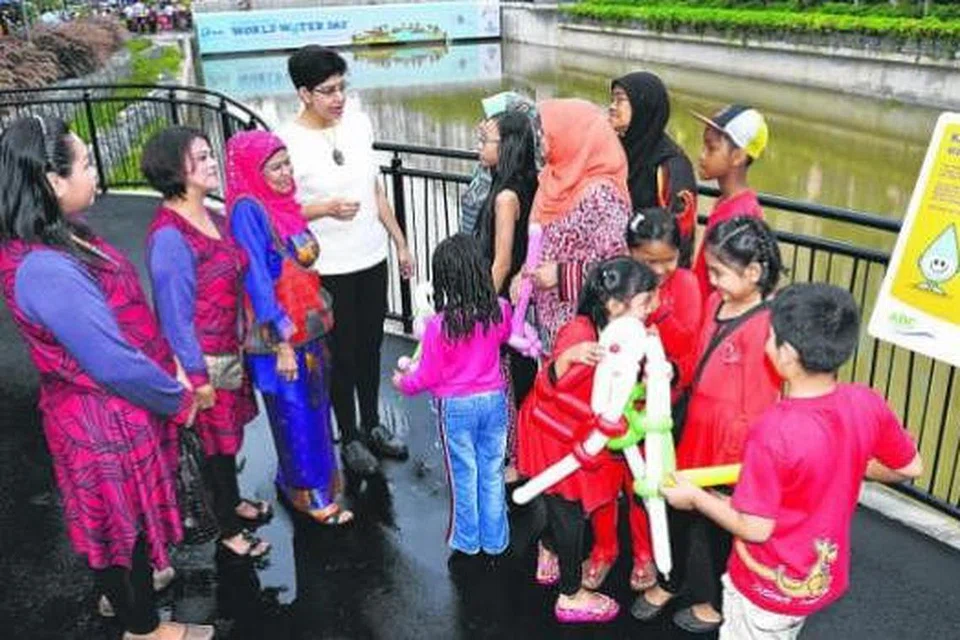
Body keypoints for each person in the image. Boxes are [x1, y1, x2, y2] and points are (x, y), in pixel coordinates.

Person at [0, 116, 213, 639]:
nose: (96, 171)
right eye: (88, 163)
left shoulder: (58, 237)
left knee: (119, 527)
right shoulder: (46, 268)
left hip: (105, 412)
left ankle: (125, 602)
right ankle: (143, 628)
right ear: (52, 182)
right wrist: (177, 397)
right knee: (123, 529)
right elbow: (111, 361)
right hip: (102, 422)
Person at [661, 283, 923, 639]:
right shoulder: (866, 401)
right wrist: (847, 460)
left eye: (770, 335)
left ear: (787, 354)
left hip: (767, 585)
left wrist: (695, 497)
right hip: (820, 575)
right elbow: (910, 467)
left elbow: (755, 528)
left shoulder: (774, 429)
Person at [634, 215, 783, 633]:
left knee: (722, 529)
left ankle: (717, 601)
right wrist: (672, 375)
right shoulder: (718, 304)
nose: (711, 280)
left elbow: (761, 400)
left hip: (731, 454)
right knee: (674, 510)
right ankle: (672, 579)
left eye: (719, 271)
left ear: (753, 274)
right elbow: (699, 358)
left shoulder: (768, 327)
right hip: (696, 431)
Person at [279, 45, 413, 476]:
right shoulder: (286, 140)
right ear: (303, 93)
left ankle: (373, 424)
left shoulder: (357, 123)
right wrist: (324, 210)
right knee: (340, 353)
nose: (338, 98)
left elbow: (374, 189)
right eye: (327, 91)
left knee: (371, 346)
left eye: (342, 87)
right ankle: (350, 435)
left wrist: (400, 241)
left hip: (370, 255)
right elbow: (275, 213)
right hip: (325, 267)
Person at [142, 126, 268, 559]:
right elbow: (175, 320)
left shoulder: (212, 217)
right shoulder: (169, 237)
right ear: (176, 168)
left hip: (228, 351)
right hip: (203, 363)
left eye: (211, 154)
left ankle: (233, 503)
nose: (213, 162)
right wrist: (196, 379)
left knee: (226, 441)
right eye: (201, 156)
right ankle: (229, 533)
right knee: (212, 448)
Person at [517, 257, 658, 623]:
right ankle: (570, 595)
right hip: (558, 441)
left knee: (559, 507)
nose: (652, 309)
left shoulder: (614, 334)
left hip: (571, 439)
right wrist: (564, 361)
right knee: (570, 516)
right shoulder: (580, 336)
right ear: (614, 306)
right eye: (644, 302)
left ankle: (547, 550)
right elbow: (549, 385)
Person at [228, 130, 354, 526]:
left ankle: (310, 482)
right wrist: (282, 343)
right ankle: (311, 496)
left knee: (313, 409)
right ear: (252, 170)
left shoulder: (279, 205)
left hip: (308, 326)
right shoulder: (248, 210)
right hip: (280, 336)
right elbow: (257, 281)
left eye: (287, 164)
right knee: (295, 411)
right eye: (275, 167)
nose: (285, 174)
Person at [582, 207, 704, 593]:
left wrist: (659, 312)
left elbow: (689, 347)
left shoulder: (683, 287)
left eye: (669, 259)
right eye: (648, 260)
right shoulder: (617, 280)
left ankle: (645, 554)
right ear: (629, 251)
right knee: (602, 481)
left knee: (644, 485)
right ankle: (604, 549)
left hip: (656, 406)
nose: (661, 269)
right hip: (614, 402)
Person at [393, 234, 512, 567]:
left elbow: (427, 377)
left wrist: (403, 383)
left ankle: (468, 540)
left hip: (456, 409)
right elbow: (503, 338)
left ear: (443, 278)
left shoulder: (437, 326)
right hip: (494, 403)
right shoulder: (499, 310)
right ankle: (496, 538)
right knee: (492, 471)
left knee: (463, 473)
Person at [520, 98, 632, 355]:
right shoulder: (554, 176)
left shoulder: (601, 195)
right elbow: (542, 239)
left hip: (584, 330)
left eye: (546, 134)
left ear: (572, 136)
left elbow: (619, 270)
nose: (542, 143)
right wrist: (525, 274)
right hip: (550, 323)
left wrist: (561, 276)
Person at [473, 108, 539, 482]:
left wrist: (480, 309)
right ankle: (522, 453)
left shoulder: (505, 197)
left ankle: (514, 461)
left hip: (502, 306)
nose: (480, 147)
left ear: (509, 146)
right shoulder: (531, 184)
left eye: (487, 140)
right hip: (521, 303)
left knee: (507, 383)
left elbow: (499, 261)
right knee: (521, 380)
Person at [609, 71, 698, 265]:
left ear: (644, 106)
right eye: (612, 100)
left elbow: (680, 239)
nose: (612, 107)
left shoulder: (671, 165)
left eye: (620, 100)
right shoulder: (619, 149)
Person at [690, 104, 768, 301]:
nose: (701, 155)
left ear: (738, 156)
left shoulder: (740, 215)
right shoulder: (726, 200)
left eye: (711, 148)